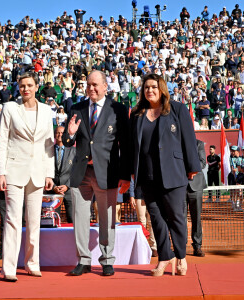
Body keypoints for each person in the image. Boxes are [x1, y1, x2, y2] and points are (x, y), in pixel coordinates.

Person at [130, 73, 201, 277]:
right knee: (157, 219)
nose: (149, 90)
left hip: (174, 173)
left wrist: (192, 166)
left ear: (162, 88)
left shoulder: (177, 109)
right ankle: (164, 257)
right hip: (147, 174)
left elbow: (189, 138)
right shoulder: (137, 114)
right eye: (146, 88)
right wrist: (131, 172)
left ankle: (180, 257)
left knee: (176, 217)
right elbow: (132, 146)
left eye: (153, 87)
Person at [62, 70, 130, 277]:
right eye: (89, 84)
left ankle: (107, 260)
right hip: (81, 173)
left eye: (95, 85)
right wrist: (70, 133)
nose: (91, 88)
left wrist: (126, 175)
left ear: (105, 87)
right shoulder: (77, 108)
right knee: (80, 218)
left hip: (107, 173)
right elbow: (66, 142)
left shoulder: (118, 109)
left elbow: (125, 145)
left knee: (107, 218)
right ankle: (83, 260)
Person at [0, 72, 55, 282]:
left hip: (38, 172)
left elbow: (49, 144)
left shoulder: (47, 111)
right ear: (18, 88)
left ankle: (32, 263)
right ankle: (9, 267)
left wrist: (50, 173)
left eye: (29, 85)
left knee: (34, 222)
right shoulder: (10, 108)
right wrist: (0, 172)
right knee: (12, 219)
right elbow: (2, 141)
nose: (26, 89)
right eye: (22, 86)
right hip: (13, 170)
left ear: (37, 87)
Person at [185, 140, 207, 257]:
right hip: (181, 186)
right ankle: (181, 247)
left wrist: (189, 168)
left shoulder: (198, 144)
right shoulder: (177, 142)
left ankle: (197, 246)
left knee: (196, 218)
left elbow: (203, 163)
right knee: (180, 218)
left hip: (196, 186)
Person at [51, 126, 76, 223]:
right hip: (53, 192)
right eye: (57, 132)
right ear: (54, 135)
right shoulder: (48, 150)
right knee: (53, 221)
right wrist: (54, 187)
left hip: (69, 191)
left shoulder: (73, 151)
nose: (60, 135)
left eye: (62, 133)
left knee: (72, 220)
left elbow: (76, 171)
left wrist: (67, 186)